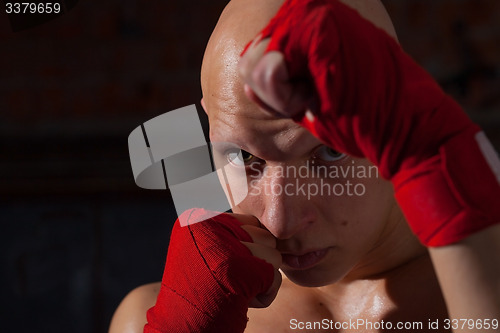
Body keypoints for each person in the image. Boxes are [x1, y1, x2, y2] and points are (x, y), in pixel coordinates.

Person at [109, 0, 500, 332]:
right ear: (210, 123)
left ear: (395, 121)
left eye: (329, 152)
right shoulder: (148, 318)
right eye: (244, 157)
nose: (281, 222)